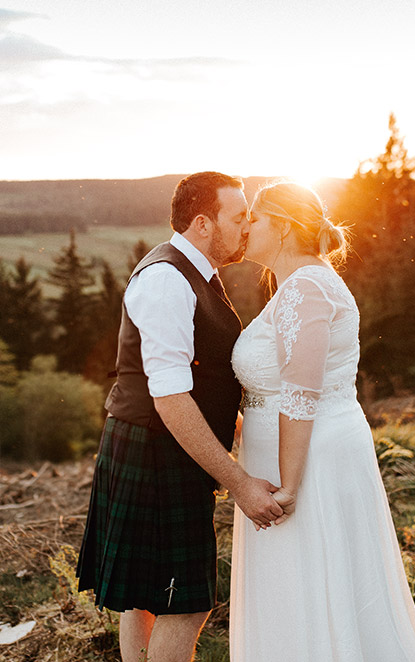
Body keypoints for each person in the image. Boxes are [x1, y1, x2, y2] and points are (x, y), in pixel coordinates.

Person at [77, 171, 282, 662]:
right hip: (156, 451)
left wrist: (236, 424)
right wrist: (240, 482)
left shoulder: (195, 272)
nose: (248, 226)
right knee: (185, 604)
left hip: (162, 447)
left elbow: (199, 376)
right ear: (202, 223)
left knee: (148, 594)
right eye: (239, 217)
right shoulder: (168, 280)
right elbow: (169, 398)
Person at [229, 181, 415, 661]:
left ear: (280, 226)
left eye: (254, 219)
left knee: (311, 580)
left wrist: (289, 487)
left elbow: (300, 395)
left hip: (308, 461)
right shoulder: (301, 283)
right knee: (307, 583)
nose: (246, 226)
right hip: (301, 450)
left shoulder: (304, 287)